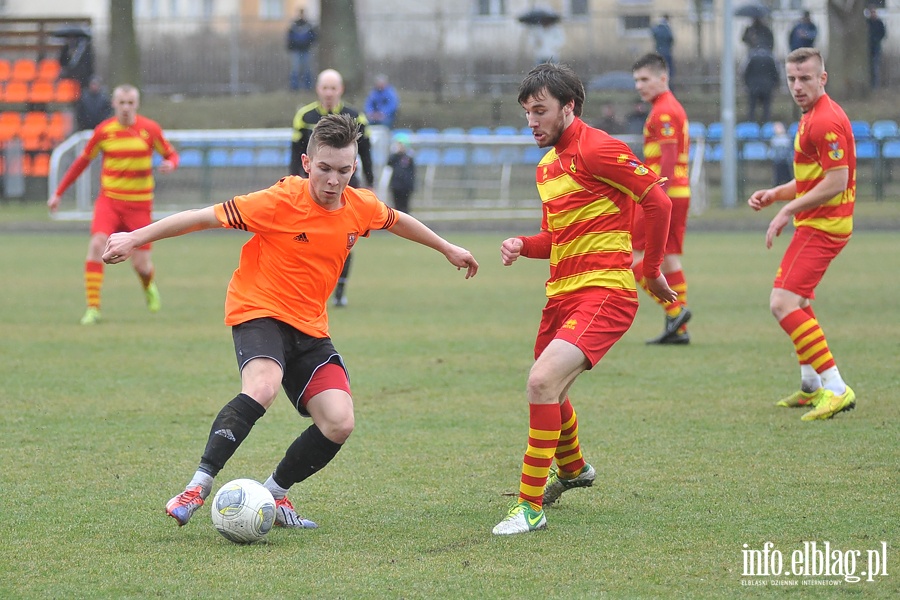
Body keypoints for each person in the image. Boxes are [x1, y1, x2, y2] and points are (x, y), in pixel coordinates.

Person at [101, 114, 479, 530]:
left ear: (354, 167)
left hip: (310, 328)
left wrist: (446, 247)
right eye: (325, 169)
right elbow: (201, 216)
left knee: (340, 421)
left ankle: (276, 494)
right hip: (258, 310)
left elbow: (396, 219)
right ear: (306, 163)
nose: (334, 181)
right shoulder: (278, 202)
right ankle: (196, 486)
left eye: (344, 170)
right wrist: (135, 237)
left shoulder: (360, 205)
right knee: (261, 388)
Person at [493, 63, 675, 535]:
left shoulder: (599, 148)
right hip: (561, 296)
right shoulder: (547, 166)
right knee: (552, 388)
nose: (531, 121)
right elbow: (557, 239)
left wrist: (650, 271)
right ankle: (573, 468)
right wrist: (522, 245)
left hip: (605, 293)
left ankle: (529, 507)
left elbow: (659, 200)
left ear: (568, 107)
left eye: (540, 111)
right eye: (526, 113)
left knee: (541, 382)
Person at [747, 48, 857, 422]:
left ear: (822, 78)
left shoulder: (825, 120)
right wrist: (777, 194)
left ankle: (837, 388)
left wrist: (787, 210)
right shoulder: (811, 117)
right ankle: (811, 385)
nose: (797, 85)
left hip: (823, 227)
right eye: (792, 78)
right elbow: (813, 179)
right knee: (800, 301)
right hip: (818, 223)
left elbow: (837, 182)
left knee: (782, 303)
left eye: (806, 78)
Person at [47, 84, 179, 325]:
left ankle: (148, 285)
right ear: (114, 104)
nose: (126, 107)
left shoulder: (150, 130)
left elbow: (171, 154)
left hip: (139, 206)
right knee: (97, 244)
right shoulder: (104, 131)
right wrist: (58, 193)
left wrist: (171, 164)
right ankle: (93, 308)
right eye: (122, 103)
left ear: (136, 104)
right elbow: (81, 163)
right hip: (110, 202)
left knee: (141, 265)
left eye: (131, 103)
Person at [290, 69, 374, 307]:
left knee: (344, 241)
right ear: (318, 89)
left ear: (341, 90)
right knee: (304, 240)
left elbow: (366, 151)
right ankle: (308, 288)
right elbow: (295, 152)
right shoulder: (304, 116)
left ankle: (339, 291)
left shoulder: (355, 116)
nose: (329, 93)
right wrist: (292, 179)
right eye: (325, 88)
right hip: (310, 188)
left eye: (333, 88)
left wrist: (371, 181)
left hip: (347, 189)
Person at [632, 52, 693, 345]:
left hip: (662, 193)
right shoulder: (667, 107)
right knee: (669, 258)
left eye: (645, 79)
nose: (639, 86)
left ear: (663, 78)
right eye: (637, 80)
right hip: (679, 192)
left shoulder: (664, 111)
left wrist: (657, 197)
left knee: (630, 256)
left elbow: (667, 159)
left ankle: (675, 310)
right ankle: (678, 329)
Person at [744, 48, 780, 124]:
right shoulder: (770, 58)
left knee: (752, 107)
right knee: (766, 108)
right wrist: (774, 84)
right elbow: (775, 73)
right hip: (767, 87)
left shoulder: (752, 58)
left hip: (754, 87)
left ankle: (751, 125)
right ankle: (766, 125)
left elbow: (746, 73)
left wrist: (748, 84)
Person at [286, 9, 317, 91]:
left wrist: (308, 43)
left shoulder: (308, 25)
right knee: (295, 69)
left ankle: (307, 87)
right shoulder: (294, 25)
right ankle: (294, 87)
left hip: (306, 50)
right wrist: (291, 46)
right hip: (296, 50)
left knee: (307, 69)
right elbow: (289, 38)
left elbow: (313, 37)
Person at [386, 133, 416, 213]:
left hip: (405, 186)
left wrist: (411, 185)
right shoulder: (395, 156)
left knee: (405, 207)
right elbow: (389, 163)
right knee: (397, 206)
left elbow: (412, 172)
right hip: (396, 185)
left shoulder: (409, 157)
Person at [651, 14, 675, 83]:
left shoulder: (657, 28)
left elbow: (653, 33)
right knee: (668, 71)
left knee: (659, 69)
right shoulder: (667, 29)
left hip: (658, 52)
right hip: (666, 53)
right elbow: (671, 38)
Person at [867, 7, 887, 88]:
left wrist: (876, 40)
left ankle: (875, 85)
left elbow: (883, 34)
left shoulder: (879, 23)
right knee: (869, 67)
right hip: (868, 48)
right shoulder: (867, 23)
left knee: (875, 66)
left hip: (876, 47)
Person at [769, 121, 793, 186]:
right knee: (777, 178)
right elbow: (772, 152)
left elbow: (789, 150)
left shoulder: (787, 138)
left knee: (788, 177)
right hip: (777, 162)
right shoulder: (774, 139)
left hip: (786, 162)